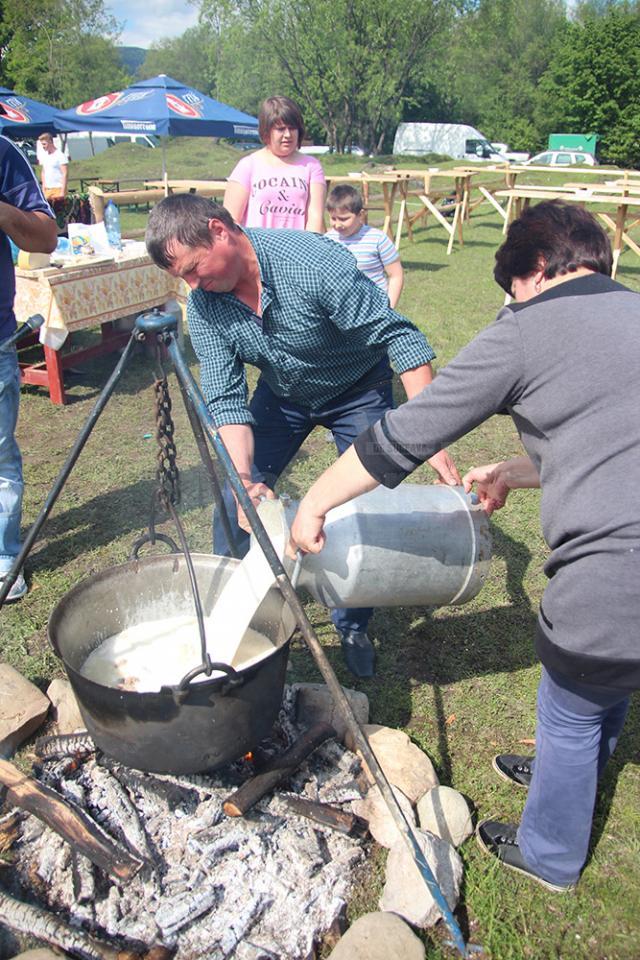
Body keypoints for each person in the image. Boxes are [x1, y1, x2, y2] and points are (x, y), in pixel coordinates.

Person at [288, 200, 640, 892]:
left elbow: (404, 435)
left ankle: (549, 855)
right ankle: (577, 770)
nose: (512, 303)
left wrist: (315, 500)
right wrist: (517, 470)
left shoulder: (528, 329)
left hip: (618, 566)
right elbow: (609, 433)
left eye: (513, 289)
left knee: (572, 698)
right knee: (611, 672)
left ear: (534, 270)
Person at [145, 193, 460, 677]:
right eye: (182, 278)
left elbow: (399, 335)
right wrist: (245, 476)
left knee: (360, 507)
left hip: (357, 386)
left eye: (193, 268)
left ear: (219, 230)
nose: (192, 284)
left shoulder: (311, 262)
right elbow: (227, 398)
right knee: (233, 503)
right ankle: (228, 617)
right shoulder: (205, 306)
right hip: (285, 394)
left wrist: (428, 431)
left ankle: (353, 621)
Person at [0, 135, 57, 600]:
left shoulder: (2, 153)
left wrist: (4, 212)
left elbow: (44, 236)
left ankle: (2, 557)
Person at [223, 96, 326, 232]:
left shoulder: (312, 166)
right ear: (267, 131)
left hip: (297, 249)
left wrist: (310, 249)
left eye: (292, 128)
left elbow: (315, 217)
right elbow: (231, 221)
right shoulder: (248, 165)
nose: (288, 135)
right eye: (281, 129)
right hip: (258, 250)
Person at [325, 184, 404, 308]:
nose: (338, 224)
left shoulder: (378, 239)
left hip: (373, 308)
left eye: (343, 219)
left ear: (361, 215)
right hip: (340, 311)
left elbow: (396, 275)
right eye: (333, 218)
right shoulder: (327, 240)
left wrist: (389, 308)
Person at [36, 133, 68, 201]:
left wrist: (63, 191)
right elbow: (43, 172)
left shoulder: (60, 155)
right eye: (42, 144)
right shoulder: (45, 156)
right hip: (47, 189)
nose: (43, 146)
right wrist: (43, 188)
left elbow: (65, 173)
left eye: (44, 144)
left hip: (58, 188)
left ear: (50, 142)